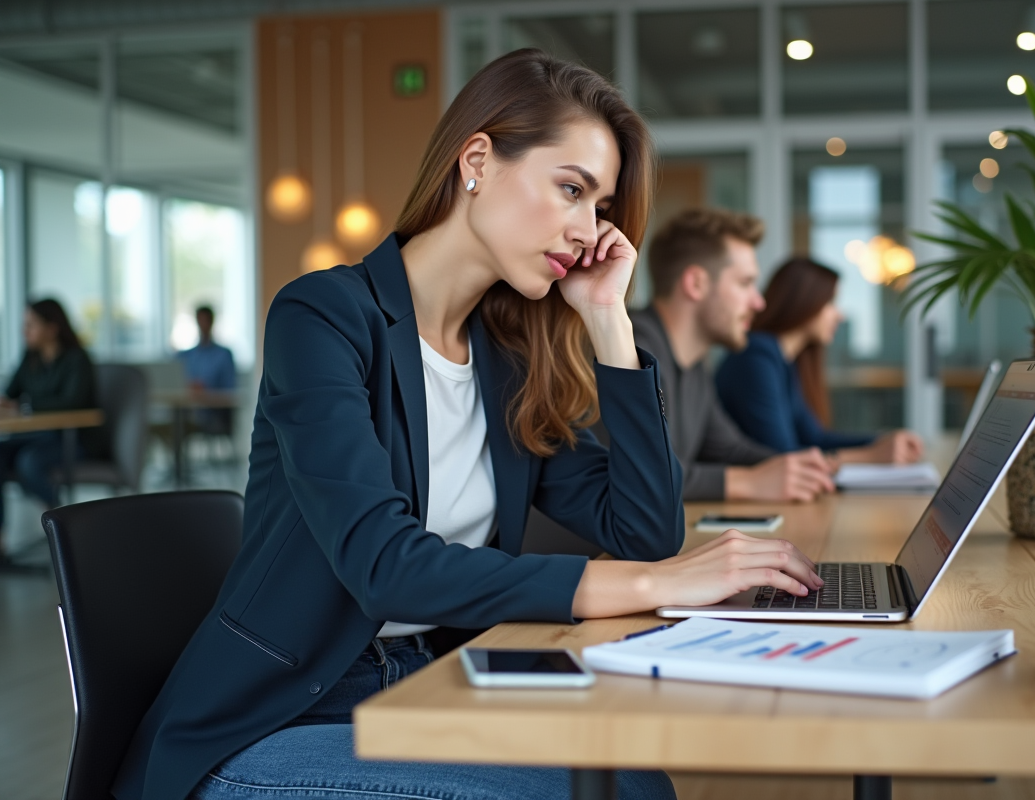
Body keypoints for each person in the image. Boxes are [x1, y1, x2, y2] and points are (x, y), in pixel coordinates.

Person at [113, 50, 823, 800]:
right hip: (274, 721)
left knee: (634, 781)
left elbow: (646, 529)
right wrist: (654, 583)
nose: (589, 231)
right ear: (477, 160)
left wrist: (610, 321)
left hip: (423, 677)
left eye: (602, 209)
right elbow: (386, 569)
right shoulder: (323, 316)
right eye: (572, 189)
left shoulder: (510, 359)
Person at [631, 208, 835, 503]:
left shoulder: (695, 366)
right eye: (744, 283)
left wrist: (798, 468)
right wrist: (749, 483)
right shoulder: (633, 348)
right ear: (696, 283)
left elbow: (730, 450)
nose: (759, 302)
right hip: (598, 551)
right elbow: (642, 476)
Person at [716, 256, 923, 465]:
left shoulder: (784, 360)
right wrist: (870, 456)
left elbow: (816, 438)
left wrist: (882, 440)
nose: (839, 316)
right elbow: (782, 456)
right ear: (804, 301)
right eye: (831, 303)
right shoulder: (756, 357)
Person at [0, 299, 96, 563]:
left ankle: (62, 516)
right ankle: (1, 541)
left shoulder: (77, 359)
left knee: (28, 461)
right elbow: (11, 395)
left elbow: (74, 402)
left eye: (31, 325)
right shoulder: (30, 357)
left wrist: (26, 405)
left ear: (52, 328)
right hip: (35, 435)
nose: (24, 331)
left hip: (72, 438)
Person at [176, 305, 237, 435]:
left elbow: (229, 389)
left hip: (214, 413)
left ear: (211, 322)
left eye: (205, 320)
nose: (202, 324)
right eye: (199, 320)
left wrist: (206, 390)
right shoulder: (185, 356)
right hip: (188, 410)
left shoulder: (223, 354)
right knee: (176, 422)